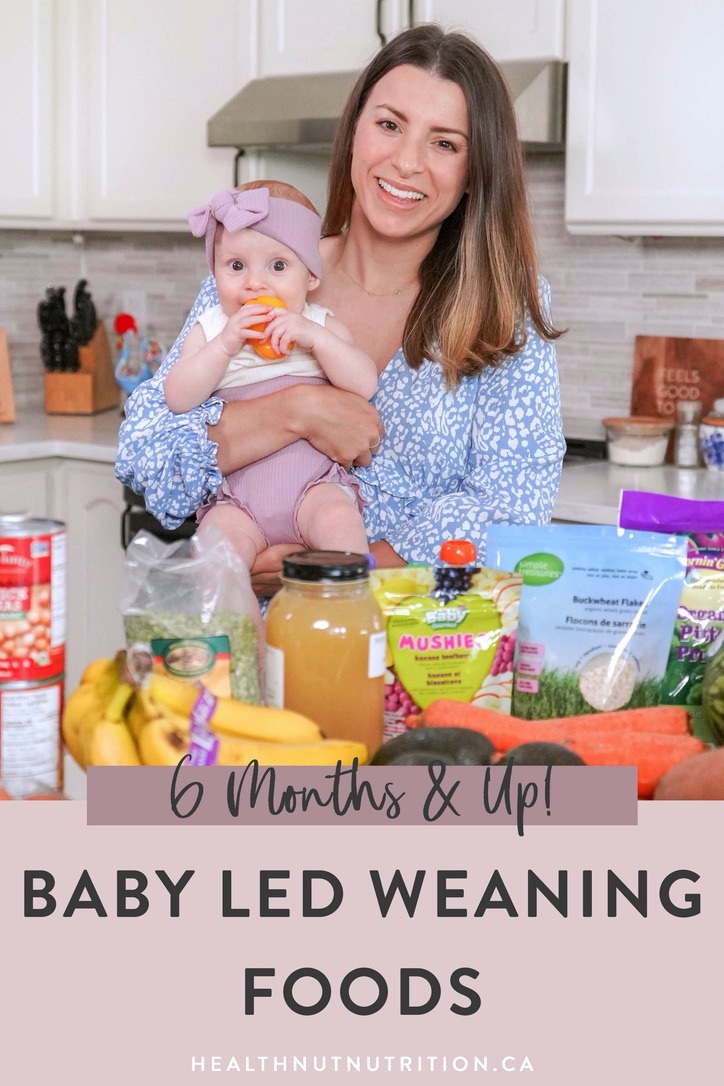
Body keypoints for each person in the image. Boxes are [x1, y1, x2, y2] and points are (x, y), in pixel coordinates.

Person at [116, 22, 566, 597]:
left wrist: (334, 571)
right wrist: (298, 409)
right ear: (354, 131)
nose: (407, 162)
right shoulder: (261, 277)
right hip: (254, 654)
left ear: (476, 172)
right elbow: (146, 453)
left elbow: (513, 508)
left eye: (445, 143)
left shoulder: (505, 309)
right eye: (389, 125)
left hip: (422, 656)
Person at [163, 181, 376, 568]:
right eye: (236, 266)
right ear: (214, 272)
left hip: (315, 487)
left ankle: (352, 619)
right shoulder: (212, 328)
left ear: (311, 276)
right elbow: (177, 396)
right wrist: (225, 345)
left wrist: (314, 339)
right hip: (239, 501)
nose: (254, 283)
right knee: (215, 560)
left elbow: (364, 384)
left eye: (278, 266)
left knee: (341, 525)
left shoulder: (319, 324)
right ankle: (239, 628)